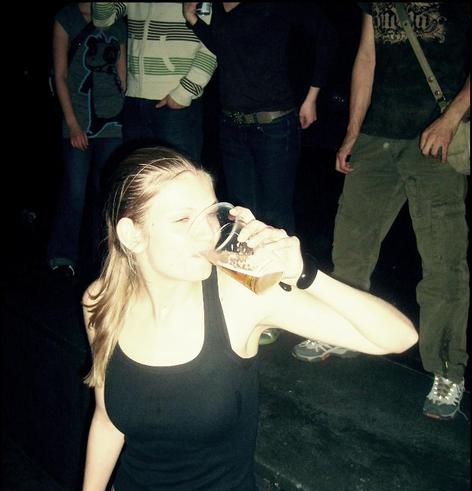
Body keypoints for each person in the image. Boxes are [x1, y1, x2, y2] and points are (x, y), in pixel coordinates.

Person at [67, 145, 417, 491]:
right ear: (132, 234)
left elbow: (397, 337)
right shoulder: (101, 302)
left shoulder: (240, 297)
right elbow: (108, 421)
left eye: (211, 214)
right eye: (182, 219)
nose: (207, 232)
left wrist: (303, 273)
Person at [292, 2, 470, 421]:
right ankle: (344, 331)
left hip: (436, 140)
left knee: (443, 261)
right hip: (377, 136)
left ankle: (447, 370)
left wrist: (450, 119)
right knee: (351, 245)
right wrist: (353, 131)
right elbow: (367, 58)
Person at [182, 1, 336, 345]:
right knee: (242, 219)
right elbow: (226, 47)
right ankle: (251, 300)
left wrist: (312, 96)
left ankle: (281, 302)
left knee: (274, 217)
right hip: (232, 126)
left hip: (274, 125)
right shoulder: (218, 7)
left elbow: (326, 35)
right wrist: (194, 22)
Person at [47, 1, 126, 279]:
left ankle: (104, 256)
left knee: (107, 191)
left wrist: (125, 115)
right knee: (75, 190)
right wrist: (72, 124)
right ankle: (62, 255)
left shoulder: (117, 18)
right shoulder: (66, 17)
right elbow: (60, 75)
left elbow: (122, 74)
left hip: (112, 121)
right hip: (78, 118)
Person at [92, 2, 217, 162]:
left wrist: (184, 93)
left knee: (179, 172)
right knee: (136, 172)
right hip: (134, 100)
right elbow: (102, 21)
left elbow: (212, 45)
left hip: (175, 104)